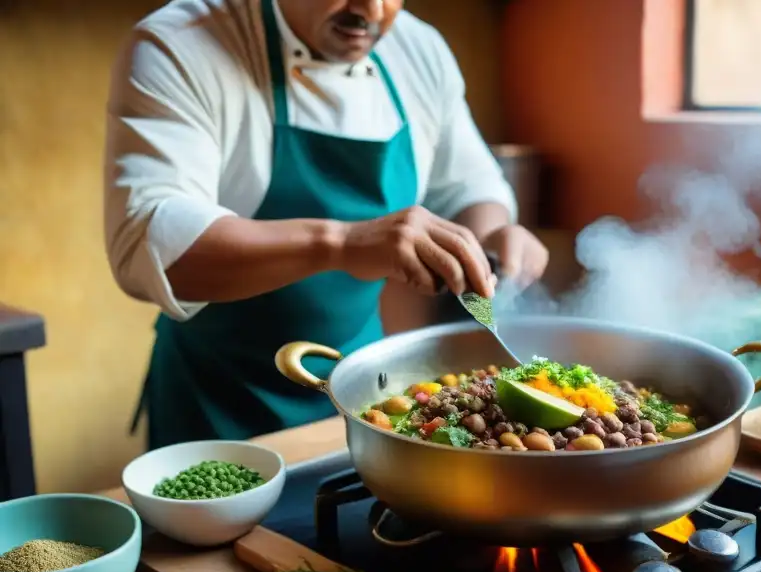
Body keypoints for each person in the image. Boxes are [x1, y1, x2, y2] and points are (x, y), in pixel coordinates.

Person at [104, 0, 549, 450]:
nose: (372, 12)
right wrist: (342, 242)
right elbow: (150, 242)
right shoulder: (180, 44)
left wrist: (489, 238)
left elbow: (468, 187)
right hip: (217, 401)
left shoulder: (417, 49)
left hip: (362, 388)